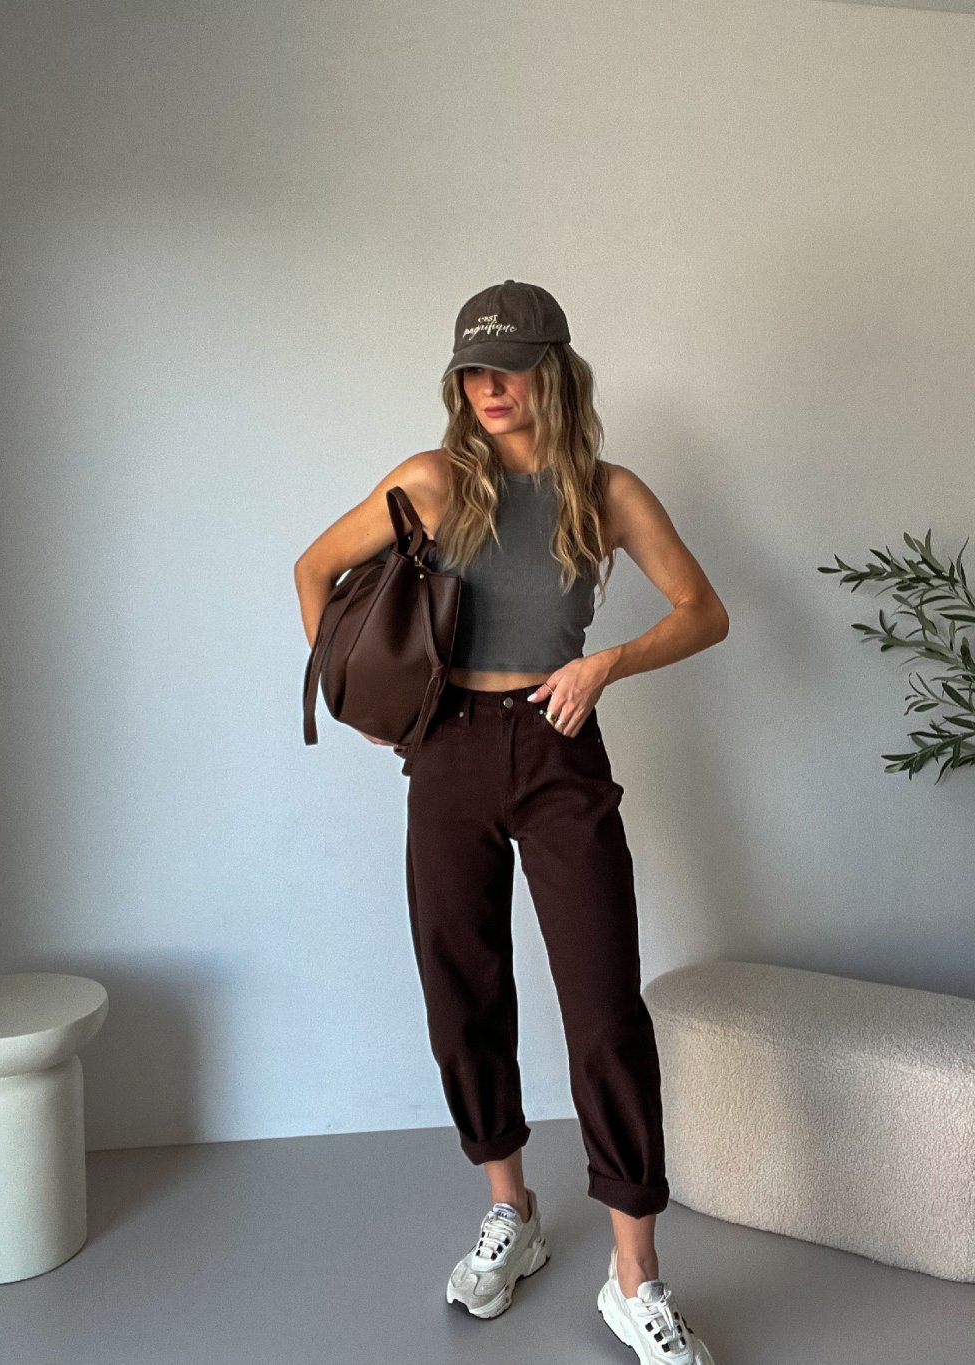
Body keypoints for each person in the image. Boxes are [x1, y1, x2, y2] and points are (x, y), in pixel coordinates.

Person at [294, 280, 727, 1363]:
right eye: (474, 372)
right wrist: (371, 707)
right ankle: (511, 1210)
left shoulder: (607, 492)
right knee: (463, 988)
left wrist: (605, 663)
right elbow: (315, 570)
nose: (491, 388)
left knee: (603, 1006)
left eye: (512, 367)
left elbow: (703, 611)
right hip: (446, 751)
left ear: (555, 372)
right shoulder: (432, 482)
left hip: (559, 743)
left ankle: (635, 1275)